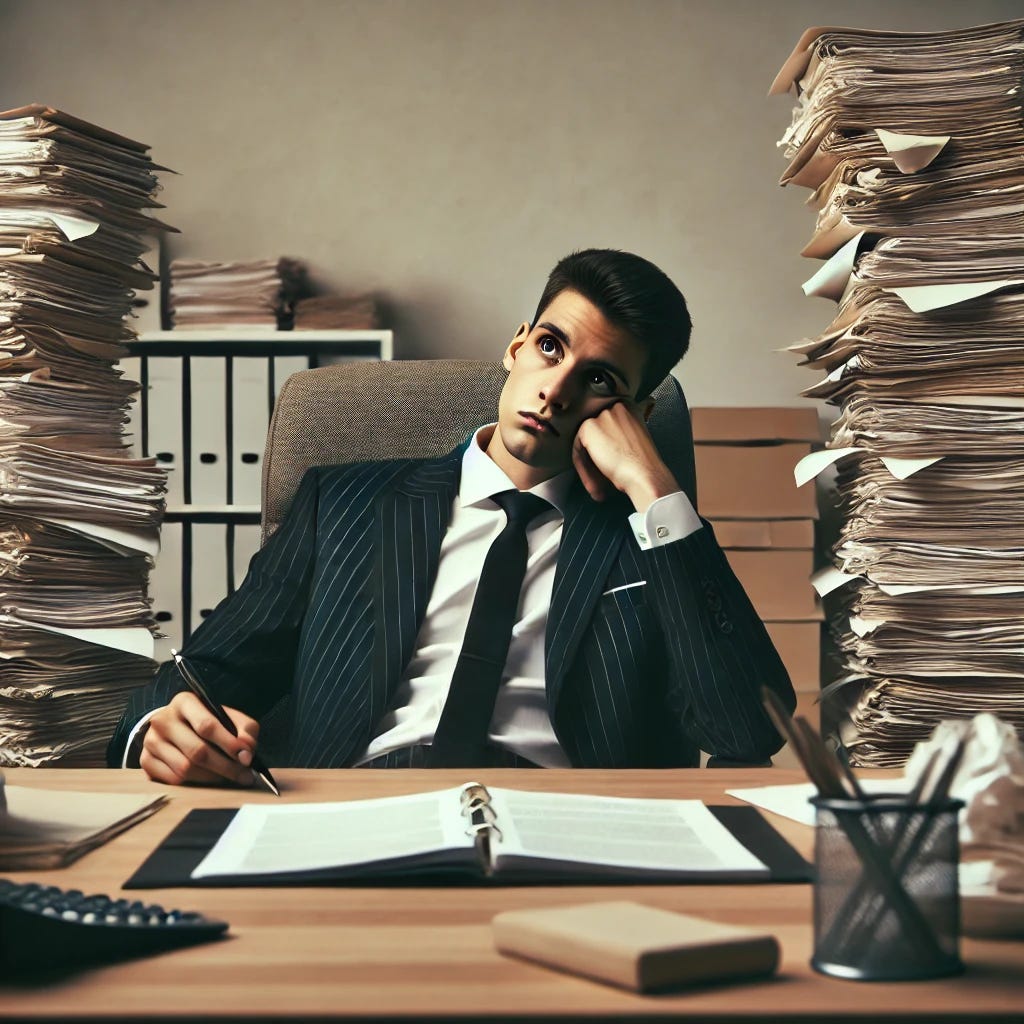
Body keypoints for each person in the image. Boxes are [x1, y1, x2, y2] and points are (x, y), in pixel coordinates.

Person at [108, 248, 795, 785]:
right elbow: (195, 679)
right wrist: (162, 734)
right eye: (552, 348)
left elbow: (746, 730)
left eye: (599, 380)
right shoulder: (344, 505)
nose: (555, 390)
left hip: (569, 830)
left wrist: (654, 488)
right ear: (517, 345)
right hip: (356, 811)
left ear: (637, 416)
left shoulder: (645, 540)